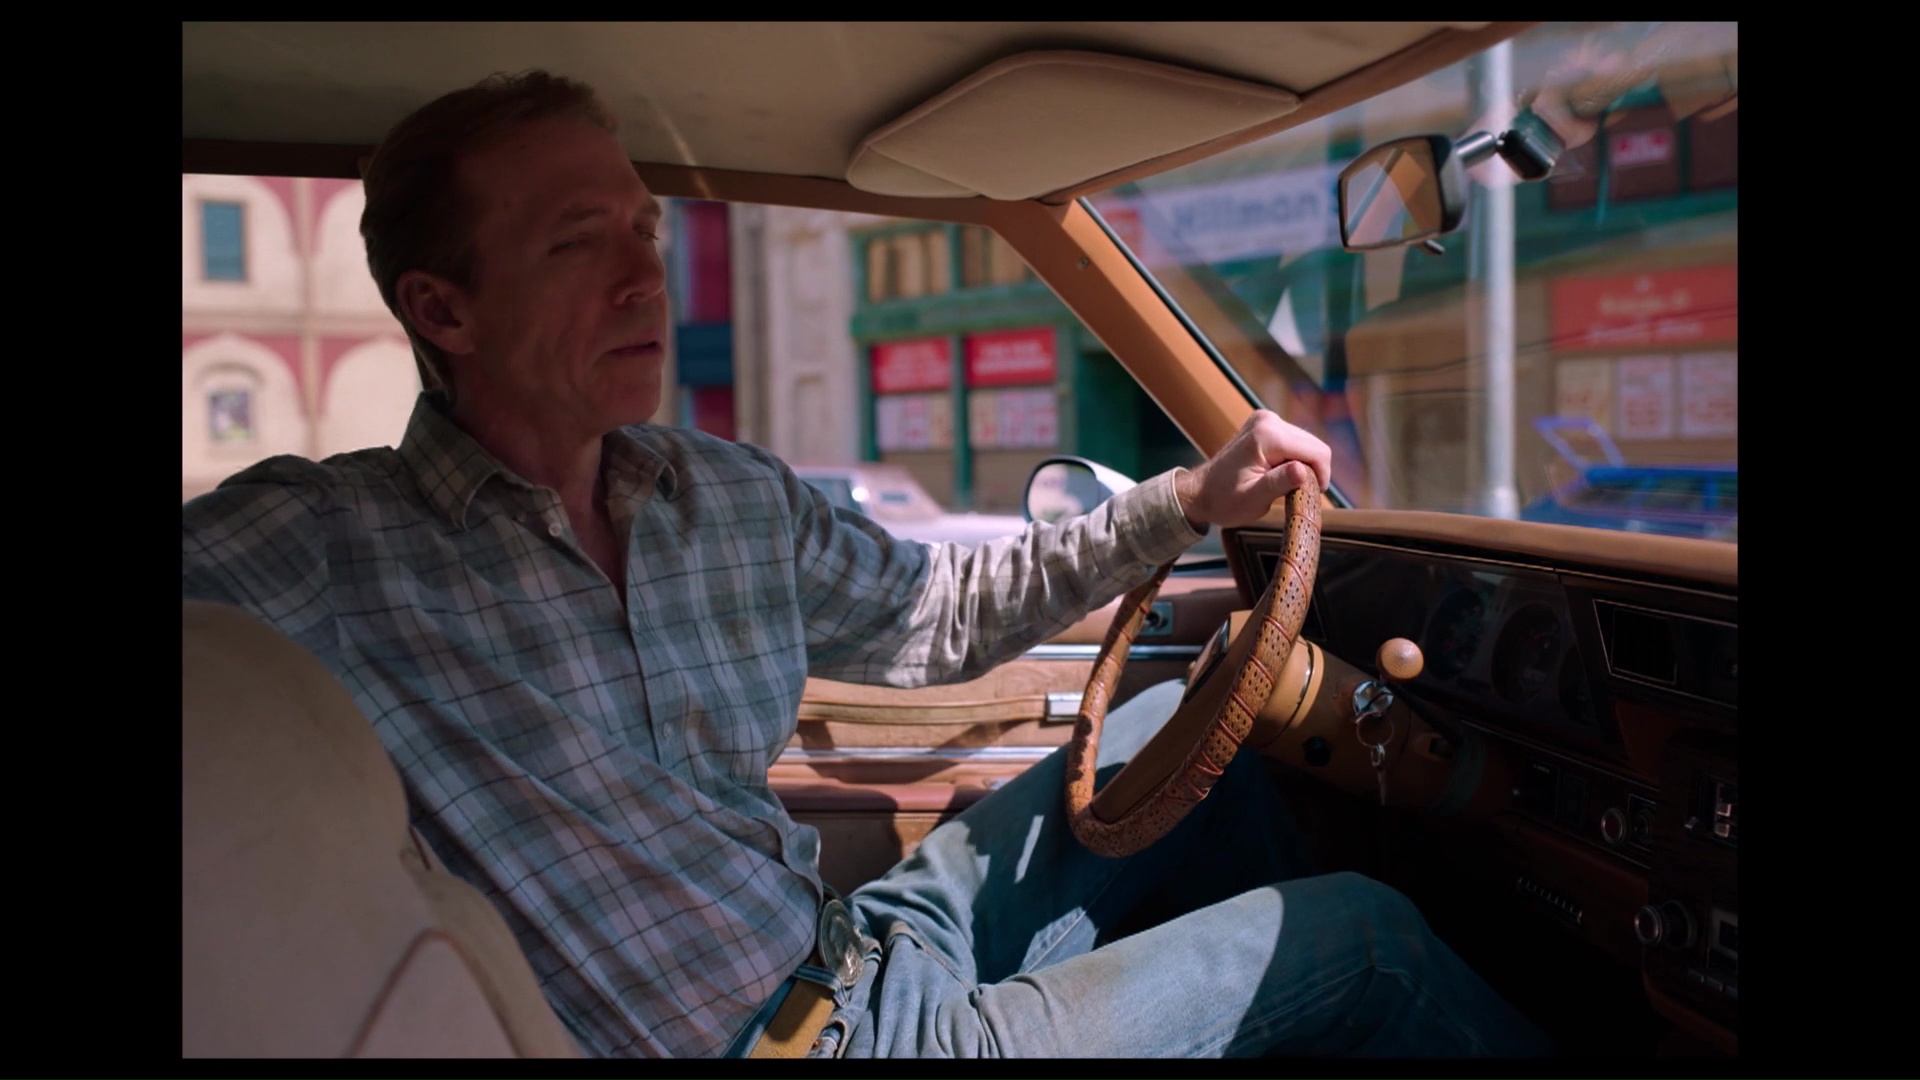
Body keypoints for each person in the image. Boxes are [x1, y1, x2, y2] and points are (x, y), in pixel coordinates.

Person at [181, 69, 1552, 1058]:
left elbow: (941, 615)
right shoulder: (326, 547)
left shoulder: (718, 491)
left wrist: (1193, 497)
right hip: (820, 1051)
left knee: (1199, 741)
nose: (644, 277)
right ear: (442, 310)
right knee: (1362, 937)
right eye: (575, 243)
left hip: (864, 940)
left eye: (642, 229)